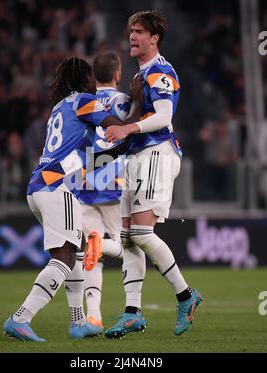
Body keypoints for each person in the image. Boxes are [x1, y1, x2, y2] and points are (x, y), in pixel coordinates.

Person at [3, 57, 142, 342]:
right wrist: (138, 104)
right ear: (83, 80)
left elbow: (93, 161)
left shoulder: (60, 108)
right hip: (57, 187)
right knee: (64, 258)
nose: (94, 82)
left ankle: (79, 322)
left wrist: (120, 153)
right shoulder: (84, 102)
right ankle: (21, 317)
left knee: (77, 248)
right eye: (90, 77)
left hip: (40, 185)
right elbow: (118, 126)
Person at [104, 10, 203, 338]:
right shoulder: (139, 74)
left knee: (141, 235)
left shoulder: (160, 71)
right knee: (128, 237)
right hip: (137, 155)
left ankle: (186, 295)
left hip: (157, 153)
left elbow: (163, 115)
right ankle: (132, 312)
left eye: (139, 31)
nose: (132, 36)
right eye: (131, 30)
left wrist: (128, 127)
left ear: (155, 38)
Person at [77, 53, 127, 330]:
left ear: (94, 76)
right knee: (130, 246)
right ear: (118, 74)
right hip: (113, 184)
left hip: (84, 182)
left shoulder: (84, 103)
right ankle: (134, 310)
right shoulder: (124, 103)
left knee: (91, 257)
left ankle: (93, 316)